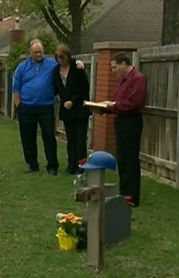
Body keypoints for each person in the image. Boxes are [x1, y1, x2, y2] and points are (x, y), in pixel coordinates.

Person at [100, 52, 147, 207]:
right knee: (123, 159)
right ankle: (124, 192)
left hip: (131, 122)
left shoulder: (138, 79)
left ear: (123, 64)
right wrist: (107, 108)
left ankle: (132, 196)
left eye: (115, 67)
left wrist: (114, 106)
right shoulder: (124, 81)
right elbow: (121, 102)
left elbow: (134, 103)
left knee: (130, 159)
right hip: (121, 121)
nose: (114, 71)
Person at [12, 38, 59, 175]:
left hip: (46, 107)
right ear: (30, 52)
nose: (39, 54)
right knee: (28, 137)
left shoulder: (52, 64)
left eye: (40, 52)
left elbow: (65, 64)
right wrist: (19, 106)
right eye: (35, 52)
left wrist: (78, 63)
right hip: (26, 107)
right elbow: (16, 89)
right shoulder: (22, 67)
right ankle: (32, 164)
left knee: (49, 135)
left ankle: (52, 165)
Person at [53, 45, 91, 175]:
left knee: (80, 139)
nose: (61, 61)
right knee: (70, 139)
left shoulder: (77, 68)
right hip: (67, 110)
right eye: (58, 58)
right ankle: (71, 165)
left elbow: (84, 87)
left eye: (63, 58)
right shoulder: (56, 71)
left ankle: (82, 166)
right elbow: (56, 89)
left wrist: (73, 101)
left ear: (68, 57)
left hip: (79, 109)